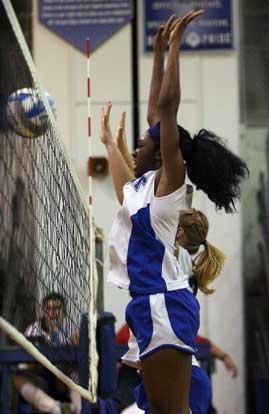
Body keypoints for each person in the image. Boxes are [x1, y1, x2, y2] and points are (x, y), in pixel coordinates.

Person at [100, 10, 247, 414]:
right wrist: (159, 52)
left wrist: (177, 48)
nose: (138, 147)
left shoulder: (170, 188)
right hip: (148, 303)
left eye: (146, 144)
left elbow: (165, 109)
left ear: (163, 153)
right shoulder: (143, 188)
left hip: (163, 303)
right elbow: (154, 112)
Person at [13, 292, 81, 414]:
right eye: (48, 309)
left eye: (56, 309)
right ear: (43, 311)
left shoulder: (72, 329)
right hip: (42, 378)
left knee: (76, 375)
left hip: (66, 379)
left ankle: (80, 409)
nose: (52, 313)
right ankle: (56, 408)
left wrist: (74, 347)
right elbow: (23, 364)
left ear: (64, 311)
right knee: (18, 378)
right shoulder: (33, 329)